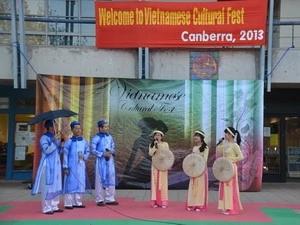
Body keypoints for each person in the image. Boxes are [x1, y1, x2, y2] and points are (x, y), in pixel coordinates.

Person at [31, 120, 64, 215]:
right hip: (48, 164)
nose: (55, 127)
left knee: (56, 184)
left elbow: (58, 151)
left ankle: (54, 205)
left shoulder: (56, 137)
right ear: (49, 127)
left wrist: (61, 145)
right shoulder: (44, 138)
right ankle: (46, 208)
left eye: (56, 125)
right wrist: (54, 141)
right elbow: (47, 150)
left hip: (56, 164)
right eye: (53, 125)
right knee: (48, 185)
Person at [63, 121, 90, 209]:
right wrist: (65, 167)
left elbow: (88, 151)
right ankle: (68, 203)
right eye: (76, 128)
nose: (78, 130)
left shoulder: (84, 141)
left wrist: (84, 156)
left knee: (80, 182)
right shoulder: (69, 142)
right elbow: (65, 155)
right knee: (70, 183)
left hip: (81, 165)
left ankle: (78, 202)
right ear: (72, 130)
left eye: (79, 128)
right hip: (71, 166)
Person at [216, 126, 244, 215]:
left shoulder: (235, 145)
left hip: (231, 167)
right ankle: (226, 207)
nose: (224, 135)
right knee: (224, 188)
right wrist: (220, 143)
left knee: (230, 187)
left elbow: (240, 156)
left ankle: (232, 208)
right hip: (225, 167)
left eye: (226, 133)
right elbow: (219, 150)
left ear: (230, 135)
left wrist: (230, 159)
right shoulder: (226, 144)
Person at [91, 120, 119, 206]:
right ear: (100, 128)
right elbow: (92, 150)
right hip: (101, 161)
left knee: (111, 178)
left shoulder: (109, 137)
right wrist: (102, 154)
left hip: (110, 161)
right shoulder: (96, 138)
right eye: (105, 127)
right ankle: (99, 199)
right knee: (100, 179)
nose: (107, 128)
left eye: (107, 126)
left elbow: (113, 146)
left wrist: (111, 151)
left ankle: (110, 198)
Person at [186, 130, 209, 212]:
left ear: (201, 138)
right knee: (193, 186)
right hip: (194, 170)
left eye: (198, 136)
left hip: (201, 170)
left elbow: (205, 160)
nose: (195, 137)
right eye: (195, 135)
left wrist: (198, 164)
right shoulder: (194, 148)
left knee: (200, 187)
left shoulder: (205, 147)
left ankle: (200, 205)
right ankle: (192, 204)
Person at [149, 130, 170, 208]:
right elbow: (150, 153)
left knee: (163, 183)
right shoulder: (152, 144)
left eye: (159, 135)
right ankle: (155, 201)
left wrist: (168, 164)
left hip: (163, 165)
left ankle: (163, 201)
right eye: (156, 135)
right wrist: (155, 146)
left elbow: (168, 154)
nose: (157, 136)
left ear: (161, 137)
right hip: (155, 165)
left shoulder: (165, 144)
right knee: (155, 183)